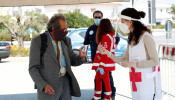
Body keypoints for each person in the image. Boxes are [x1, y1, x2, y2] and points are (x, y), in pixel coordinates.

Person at [98, 8, 162, 100]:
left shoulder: (146, 37)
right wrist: (107, 53)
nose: (120, 24)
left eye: (122, 22)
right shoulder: (132, 38)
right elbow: (124, 60)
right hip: (135, 82)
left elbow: (155, 61)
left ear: (130, 22)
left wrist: (134, 64)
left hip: (148, 84)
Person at [29, 14, 87, 100]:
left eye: (66, 29)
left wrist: (81, 57)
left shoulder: (66, 40)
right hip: (49, 85)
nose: (66, 32)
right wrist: (43, 85)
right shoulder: (38, 41)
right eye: (63, 30)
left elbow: (72, 60)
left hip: (65, 82)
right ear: (53, 29)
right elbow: (33, 69)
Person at [84, 10, 117, 100]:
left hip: (105, 59)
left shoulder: (108, 29)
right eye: (96, 17)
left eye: (99, 17)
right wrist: (85, 55)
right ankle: (99, 95)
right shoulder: (90, 29)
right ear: (93, 18)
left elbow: (115, 41)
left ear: (102, 18)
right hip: (96, 58)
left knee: (107, 77)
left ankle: (110, 94)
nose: (97, 19)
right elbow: (86, 43)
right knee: (98, 77)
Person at [92, 19, 116, 100]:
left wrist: (102, 65)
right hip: (105, 62)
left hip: (105, 63)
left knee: (105, 80)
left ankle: (107, 97)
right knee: (98, 78)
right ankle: (97, 96)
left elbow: (106, 52)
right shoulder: (110, 35)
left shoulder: (106, 36)